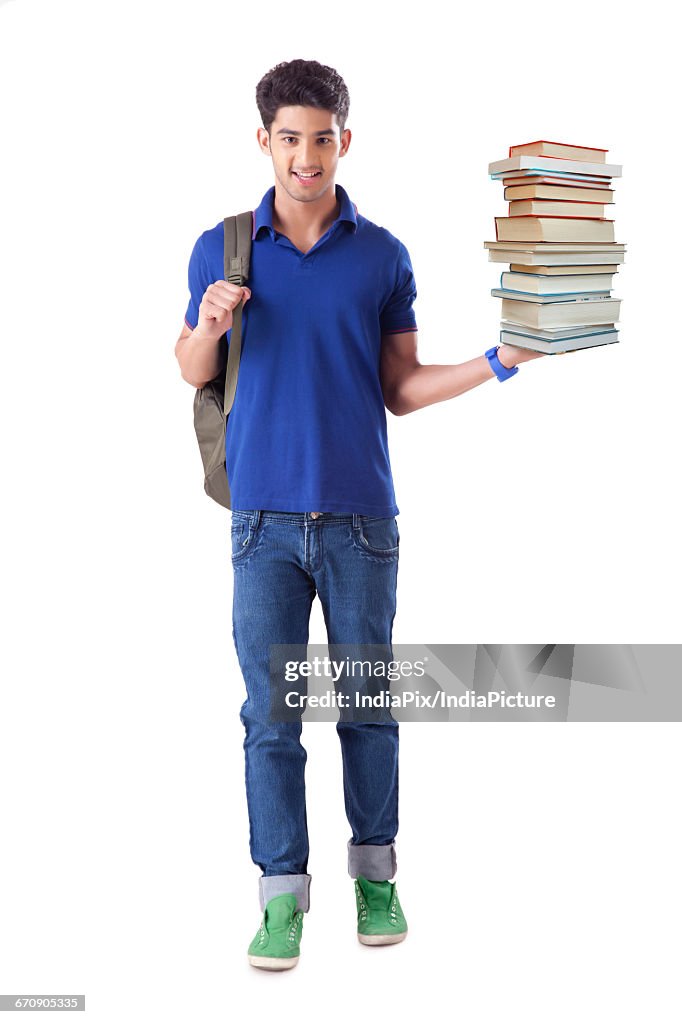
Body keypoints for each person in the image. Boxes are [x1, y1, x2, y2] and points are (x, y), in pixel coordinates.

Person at [174, 58, 544, 971]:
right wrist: (211, 324)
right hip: (260, 522)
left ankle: (375, 878)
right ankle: (280, 898)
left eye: (323, 137)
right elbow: (188, 368)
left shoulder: (383, 253)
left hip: (361, 523)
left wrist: (498, 361)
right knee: (270, 716)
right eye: (290, 138)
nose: (307, 155)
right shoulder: (222, 247)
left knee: (369, 707)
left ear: (347, 139)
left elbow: (400, 389)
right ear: (263, 140)